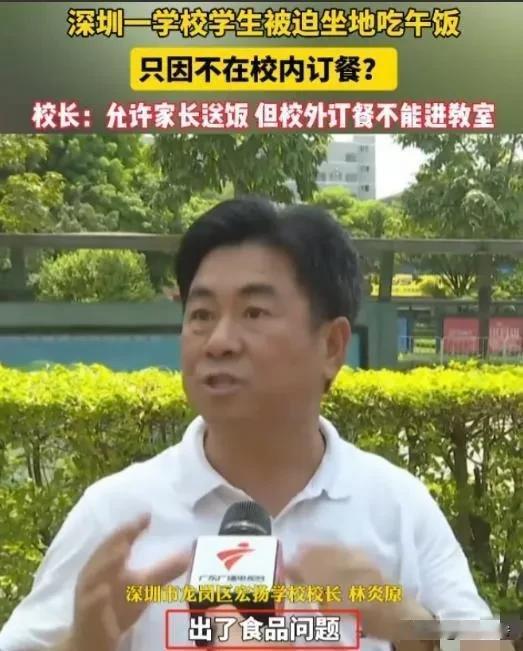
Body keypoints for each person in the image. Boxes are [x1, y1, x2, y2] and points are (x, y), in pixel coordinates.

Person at [0, 197, 510, 651]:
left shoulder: (396, 506)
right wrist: (83, 644)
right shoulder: (117, 514)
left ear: (331, 346)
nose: (218, 341)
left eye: (254, 313)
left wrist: (408, 624)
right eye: (201, 315)